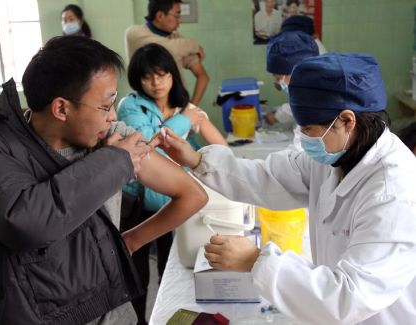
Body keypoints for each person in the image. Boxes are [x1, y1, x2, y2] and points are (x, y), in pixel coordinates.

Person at [158, 53, 416, 324]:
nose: (303, 137)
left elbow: (347, 297)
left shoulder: (392, 192)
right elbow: (270, 177)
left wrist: (256, 260)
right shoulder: (339, 154)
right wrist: (197, 159)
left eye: (308, 129)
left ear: (348, 121)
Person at [0, 36, 208, 325]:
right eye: (105, 107)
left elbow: (192, 194)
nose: (112, 116)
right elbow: (25, 222)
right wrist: (113, 161)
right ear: (61, 109)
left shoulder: (111, 135)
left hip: (109, 309)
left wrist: (129, 242)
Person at [117, 43, 226, 325]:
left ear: (172, 76)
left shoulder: (186, 109)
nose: (156, 83)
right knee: (136, 277)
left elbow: (222, 148)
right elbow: (146, 146)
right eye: (148, 77)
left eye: (162, 75)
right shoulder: (130, 105)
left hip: (175, 203)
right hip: (137, 205)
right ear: (138, 80)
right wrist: (183, 121)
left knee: (173, 273)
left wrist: (198, 140)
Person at [125, 0, 208, 105]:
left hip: (178, 104)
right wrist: (194, 45)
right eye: (177, 16)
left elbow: (203, 76)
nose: (180, 21)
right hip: (148, 106)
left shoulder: (176, 39)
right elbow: (166, 48)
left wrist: (192, 105)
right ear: (160, 16)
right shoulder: (135, 33)